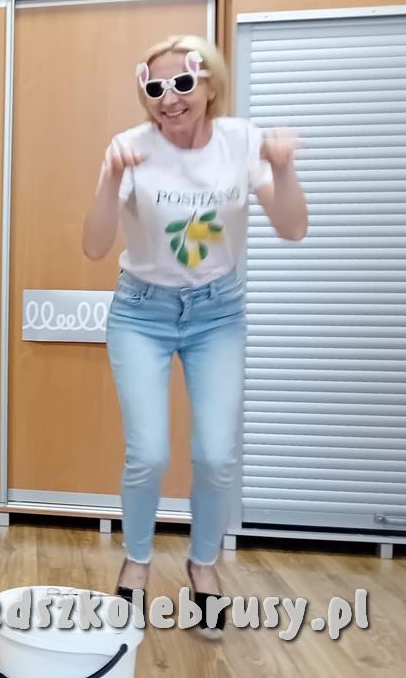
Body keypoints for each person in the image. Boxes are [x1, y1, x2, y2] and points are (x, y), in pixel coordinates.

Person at [81, 35, 306, 638]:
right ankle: (136, 561)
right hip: (142, 313)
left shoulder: (241, 141)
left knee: (215, 453)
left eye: (182, 83)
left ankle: (203, 566)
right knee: (149, 452)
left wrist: (283, 169)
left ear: (210, 84)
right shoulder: (131, 147)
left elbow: (292, 228)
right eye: (155, 88)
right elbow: (95, 246)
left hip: (217, 313)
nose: (169, 98)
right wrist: (110, 177)